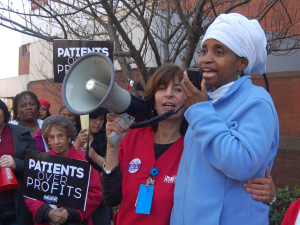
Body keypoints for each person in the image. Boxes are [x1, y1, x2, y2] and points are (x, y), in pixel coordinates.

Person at [100, 63, 276, 225]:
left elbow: (225, 185)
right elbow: (111, 198)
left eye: (177, 89)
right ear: (153, 96)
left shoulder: (199, 144)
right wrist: (112, 147)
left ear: (190, 99)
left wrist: (269, 195)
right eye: (162, 88)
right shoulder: (133, 136)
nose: (169, 93)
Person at [171, 13, 279, 225]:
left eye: (219, 52)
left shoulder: (257, 101)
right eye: (204, 51)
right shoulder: (204, 100)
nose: (206, 59)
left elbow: (242, 163)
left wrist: (201, 110)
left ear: (241, 62)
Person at [25, 115, 102, 225]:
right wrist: (48, 212)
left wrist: (70, 212)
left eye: (60, 136)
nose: (56, 142)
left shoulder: (84, 160)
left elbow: (95, 194)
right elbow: (31, 194)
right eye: (51, 137)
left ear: (69, 136)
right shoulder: (41, 161)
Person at [0, 99, 36, 225]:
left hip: (17, 201)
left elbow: (36, 165)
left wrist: (17, 164)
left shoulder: (22, 133)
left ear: (4, 111)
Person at [74, 107, 111, 225]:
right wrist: (77, 144)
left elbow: (111, 168)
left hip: (99, 196)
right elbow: (66, 164)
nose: (98, 123)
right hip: (77, 195)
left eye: (101, 119)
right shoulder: (72, 136)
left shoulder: (108, 139)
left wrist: (95, 156)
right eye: (94, 119)